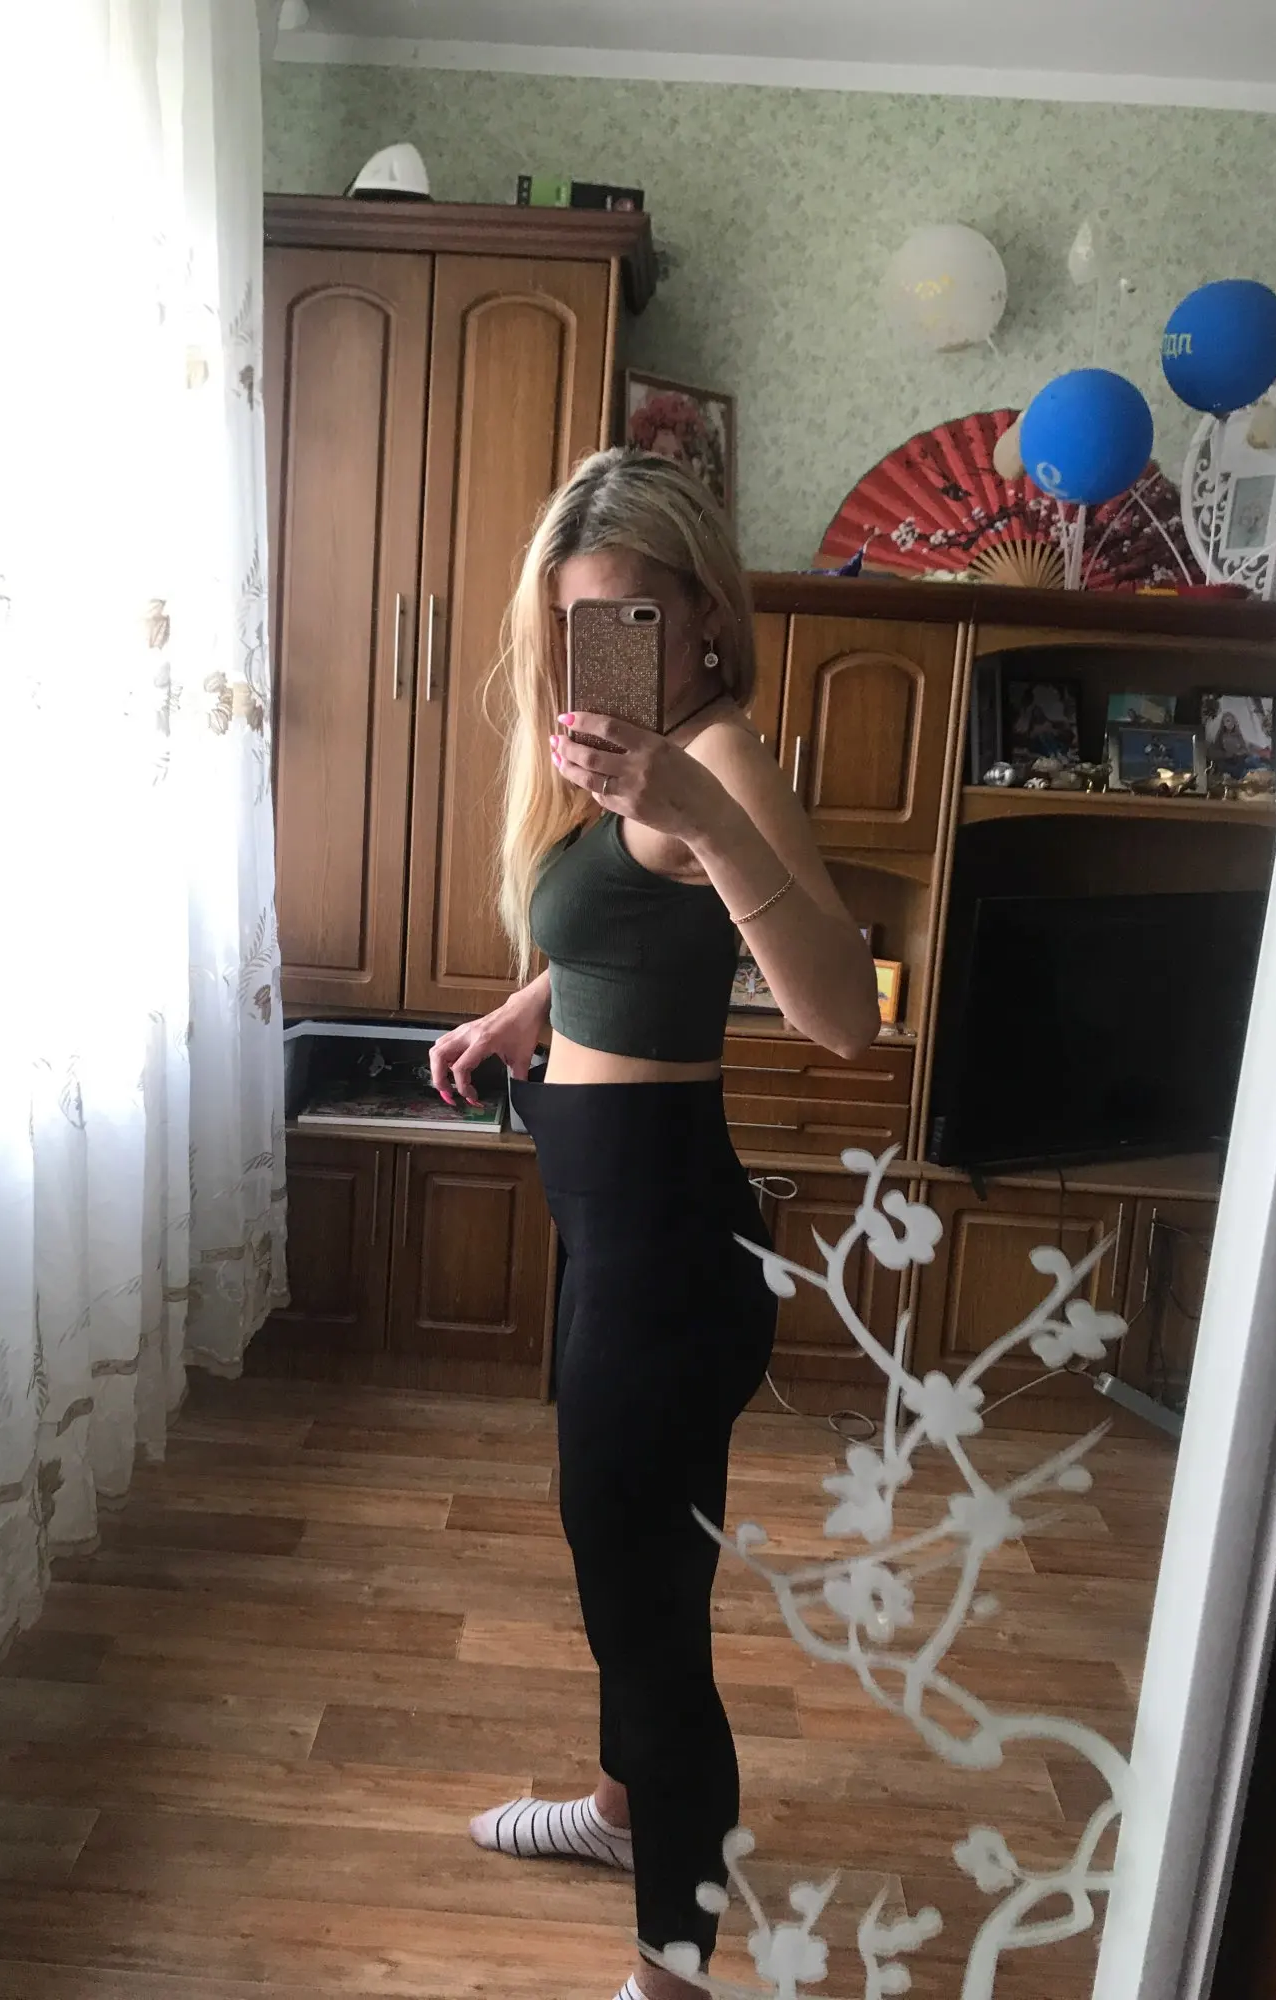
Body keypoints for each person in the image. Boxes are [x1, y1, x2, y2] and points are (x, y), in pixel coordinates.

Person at [429, 448, 878, 2000]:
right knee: (625, 1572)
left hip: (667, 1255)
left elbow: (842, 1016)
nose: (593, 652)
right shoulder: (646, 760)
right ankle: (625, 1820)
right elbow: (622, 928)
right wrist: (518, 1015)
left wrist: (701, 810)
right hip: (621, 1232)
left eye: (625, 617)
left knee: (650, 1624)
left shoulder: (718, 759)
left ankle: (675, 1973)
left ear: (700, 618)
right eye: (571, 625)